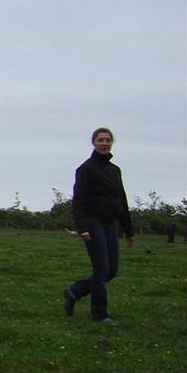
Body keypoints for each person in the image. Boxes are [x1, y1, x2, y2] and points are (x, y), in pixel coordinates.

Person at [63, 127, 135, 323]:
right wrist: (82, 227)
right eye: (100, 140)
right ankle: (100, 315)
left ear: (112, 143)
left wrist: (128, 230)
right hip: (92, 223)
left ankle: (74, 291)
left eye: (107, 140)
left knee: (111, 271)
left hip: (110, 224)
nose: (104, 143)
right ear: (93, 143)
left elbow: (122, 201)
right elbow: (78, 201)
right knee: (101, 269)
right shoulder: (85, 169)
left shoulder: (115, 170)